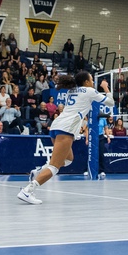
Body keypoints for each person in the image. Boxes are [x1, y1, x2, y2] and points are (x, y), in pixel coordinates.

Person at [17, 72, 113, 204]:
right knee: (54, 167)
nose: (93, 82)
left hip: (57, 126)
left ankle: (38, 171)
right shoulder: (89, 90)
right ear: (86, 82)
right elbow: (111, 103)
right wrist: (106, 88)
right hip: (66, 128)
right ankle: (27, 191)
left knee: (68, 159)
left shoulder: (71, 90)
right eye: (91, 79)